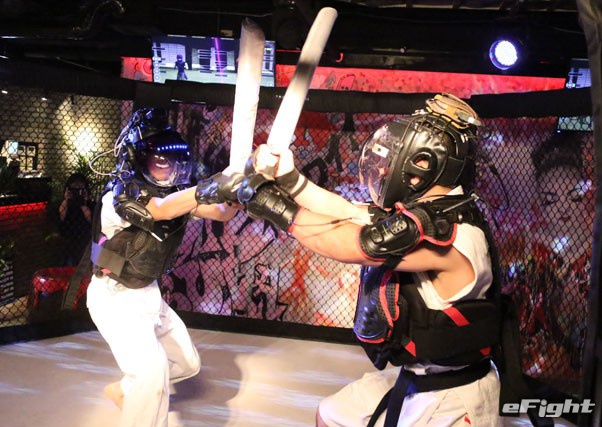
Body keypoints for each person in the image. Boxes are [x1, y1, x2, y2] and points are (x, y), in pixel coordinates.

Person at [238, 93, 502, 426]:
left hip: (454, 393)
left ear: (425, 162)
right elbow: (347, 212)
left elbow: (354, 244)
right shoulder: (429, 208)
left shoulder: (454, 233)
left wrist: (272, 206)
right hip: (417, 373)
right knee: (332, 414)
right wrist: (289, 180)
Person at [85, 108, 240, 427]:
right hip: (113, 298)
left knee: (186, 364)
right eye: (158, 160)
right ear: (138, 160)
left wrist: (239, 193)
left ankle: (125, 391)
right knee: (151, 373)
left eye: (170, 160)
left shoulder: (174, 197)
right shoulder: (118, 197)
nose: (166, 166)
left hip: (148, 295)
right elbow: (161, 210)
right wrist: (213, 184)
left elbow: (221, 212)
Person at [55, 173, 95, 266]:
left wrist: (83, 203)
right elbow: (61, 218)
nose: (77, 192)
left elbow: (91, 221)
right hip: (67, 238)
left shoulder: (90, 205)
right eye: (74, 190)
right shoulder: (64, 204)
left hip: (84, 238)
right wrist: (66, 200)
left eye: (80, 190)